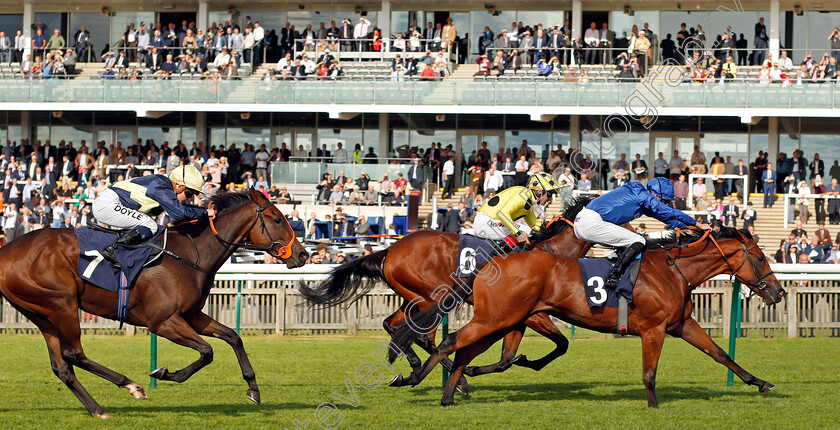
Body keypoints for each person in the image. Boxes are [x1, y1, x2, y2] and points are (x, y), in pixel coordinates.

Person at [574, 178, 710, 290]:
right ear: (656, 194)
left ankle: (609, 264)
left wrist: (691, 227)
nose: (662, 202)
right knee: (639, 240)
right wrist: (697, 223)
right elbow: (670, 212)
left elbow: (666, 218)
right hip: (590, 222)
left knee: (629, 239)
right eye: (662, 199)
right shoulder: (642, 195)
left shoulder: (640, 197)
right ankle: (614, 276)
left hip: (583, 221)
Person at [91, 165, 213, 263]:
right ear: (179, 186)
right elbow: (180, 212)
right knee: (150, 225)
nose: (189, 198)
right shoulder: (161, 186)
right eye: (190, 193)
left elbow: (182, 209)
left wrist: (203, 210)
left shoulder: (165, 187)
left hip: (110, 203)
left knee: (149, 225)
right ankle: (113, 249)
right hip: (107, 204)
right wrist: (206, 212)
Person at [472, 172, 560, 248]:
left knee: (529, 231)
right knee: (526, 231)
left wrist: (554, 227)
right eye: (549, 194)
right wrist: (518, 233)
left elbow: (535, 225)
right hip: (484, 222)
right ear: (539, 191)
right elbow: (502, 214)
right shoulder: (522, 196)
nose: (550, 199)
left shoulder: (528, 203)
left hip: (491, 223)